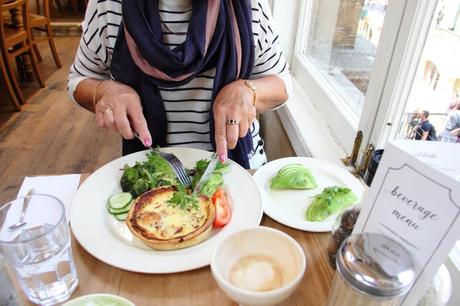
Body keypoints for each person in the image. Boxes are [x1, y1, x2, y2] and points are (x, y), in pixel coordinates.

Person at [67, 0, 291, 169]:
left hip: (239, 167)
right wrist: (104, 91)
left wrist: (249, 92)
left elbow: (281, 82)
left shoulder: (251, 4)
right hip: (149, 170)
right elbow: (79, 78)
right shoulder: (109, 5)